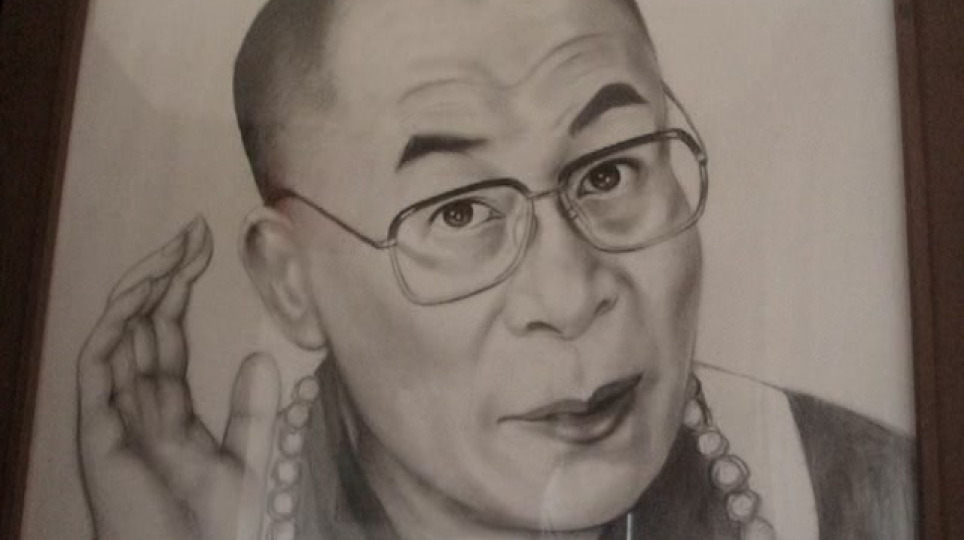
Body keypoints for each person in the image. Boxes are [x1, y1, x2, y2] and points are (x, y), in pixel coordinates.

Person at [76, 0, 916, 539]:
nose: (571, 295)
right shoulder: (213, 520)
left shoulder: (857, 494)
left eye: (609, 171)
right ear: (291, 281)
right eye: (458, 211)